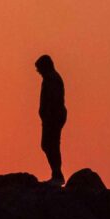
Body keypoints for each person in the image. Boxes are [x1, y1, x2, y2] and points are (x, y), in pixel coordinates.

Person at [34, 54, 67, 183]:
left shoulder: (52, 79)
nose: (38, 72)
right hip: (50, 117)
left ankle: (57, 175)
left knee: (51, 144)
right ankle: (56, 174)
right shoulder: (49, 78)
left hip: (53, 117)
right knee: (49, 145)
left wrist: (48, 116)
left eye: (39, 69)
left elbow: (53, 100)